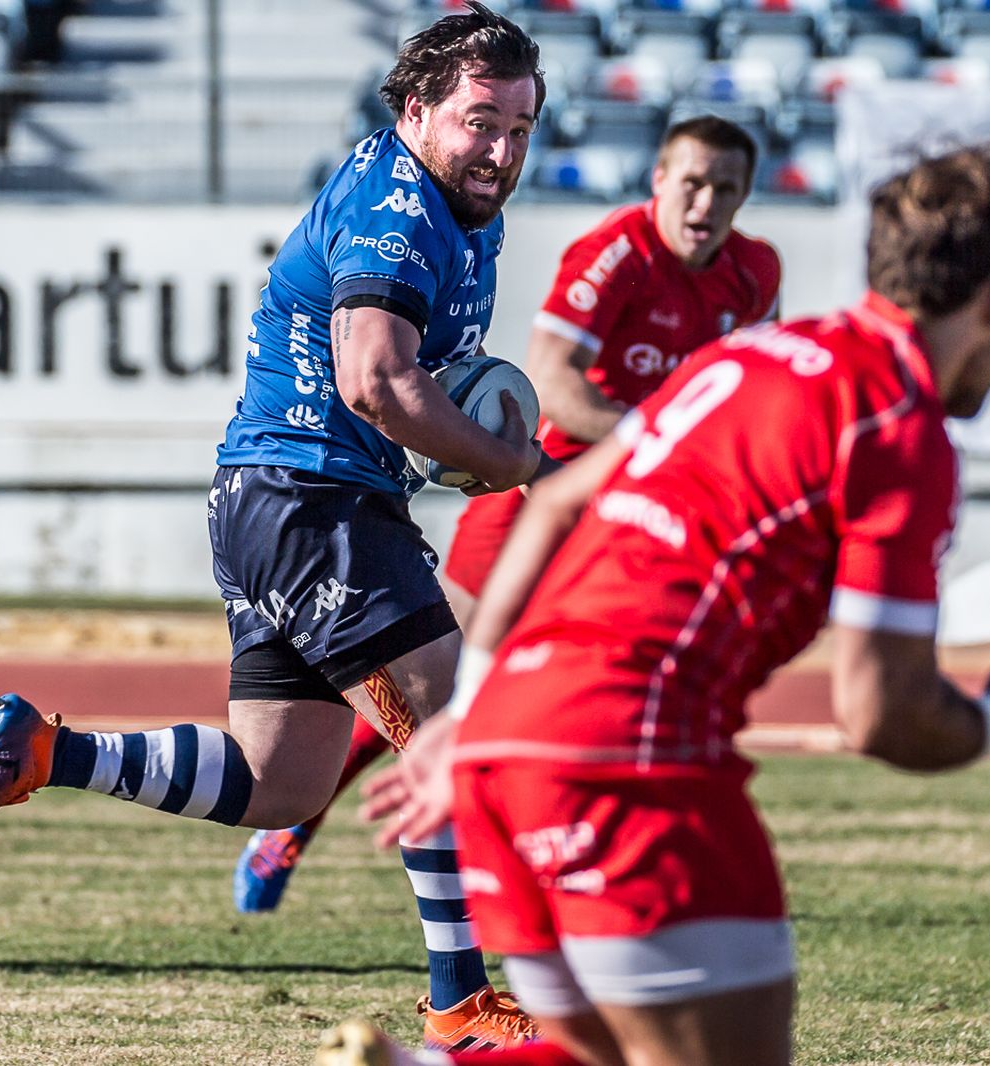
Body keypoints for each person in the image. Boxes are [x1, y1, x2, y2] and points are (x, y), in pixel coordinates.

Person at [315, 140, 990, 1066]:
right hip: (631, 767)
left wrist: (468, 714)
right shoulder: (896, 423)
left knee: (612, 1047)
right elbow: (882, 713)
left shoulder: (756, 354)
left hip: (500, 764)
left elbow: (556, 499)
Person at [0, 3, 550, 1050]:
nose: (501, 148)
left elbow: (402, 385)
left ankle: (43, 752)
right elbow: (377, 381)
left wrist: (468, 444)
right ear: (417, 109)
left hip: (278, 503)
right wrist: (511, 464)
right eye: (482, 120)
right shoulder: (400, 205)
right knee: (454, 729)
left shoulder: (444, 204)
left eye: (521, 127)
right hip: (315, 503)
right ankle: (462, 1004)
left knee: (281, 780)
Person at [233, 114, 784, 915]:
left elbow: (744, 389)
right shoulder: (615, 253)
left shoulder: (754, 271)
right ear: (660, 180)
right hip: (542, 493)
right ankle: (298, 824)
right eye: (693, 183)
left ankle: (615, 859)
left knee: (615, 680)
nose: (706, 204)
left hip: (644, 509)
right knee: (430, 681)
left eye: (725, 190)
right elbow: (558, 386)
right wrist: (665, 439)